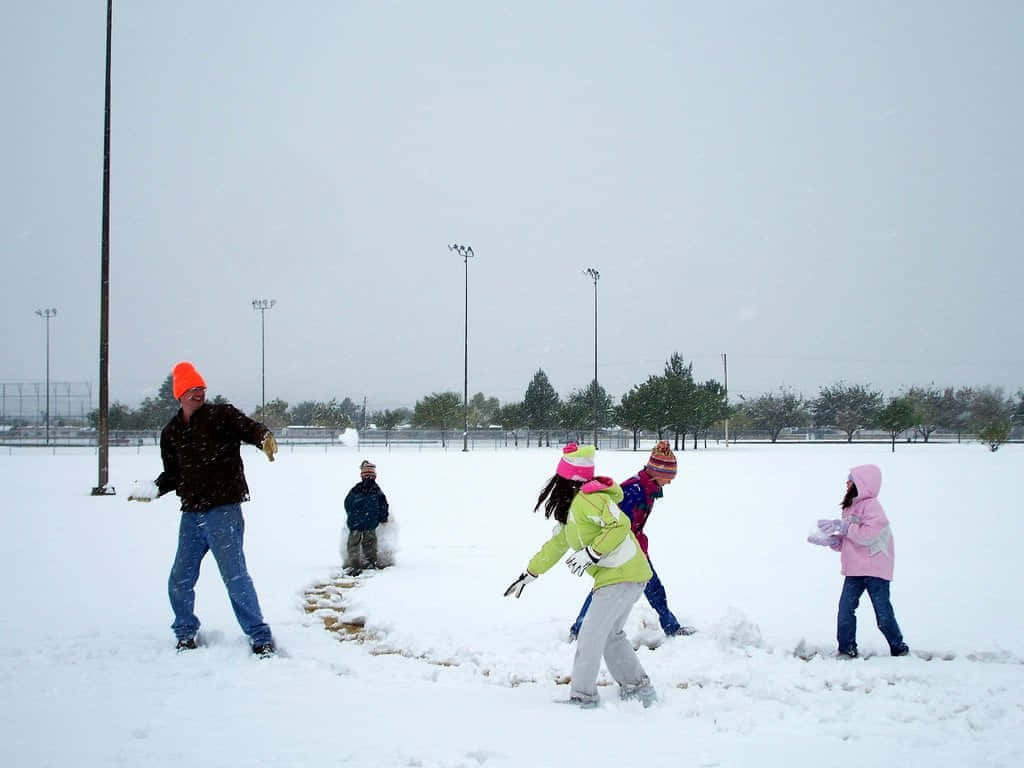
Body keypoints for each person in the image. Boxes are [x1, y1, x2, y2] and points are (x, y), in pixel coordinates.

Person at [127, 361, 279, 657]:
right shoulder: (171, 432)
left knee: (235, 576)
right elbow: (173, 474)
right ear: (179, 394)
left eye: (201, 389)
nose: (198, 395)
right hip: (191, 514)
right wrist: (155, 488)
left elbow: (249, 428)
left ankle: (260, 637)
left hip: (223, 510)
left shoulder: (221, 415)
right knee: (180, 578)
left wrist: (263, 438)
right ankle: (185, 633)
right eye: (191, 390)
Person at [503, 443, 656, 708]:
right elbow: (556, 546)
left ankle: (583, 697)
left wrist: (592, 553)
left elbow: (620, 524)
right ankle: (639, 688)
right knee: (610, 636)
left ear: (566, 479)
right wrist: (529, 573)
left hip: (621, 575)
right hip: (624, 575)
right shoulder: (575, 509)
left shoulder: (590, 499)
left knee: (591, 635)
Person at [569, 440, 692, 640]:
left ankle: (671, 625)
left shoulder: (647, 488)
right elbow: (617, 523)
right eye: (668, 477)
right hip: (620, 550)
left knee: (652, 586)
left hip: (634, 547)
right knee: (604, 588)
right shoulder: (634, 490)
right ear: (658, 473)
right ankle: (579, 628)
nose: (670, 482)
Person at [809, 464, 909, 659]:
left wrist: (845, 528)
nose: (847, 483)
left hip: (875, 569)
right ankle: (847, 649)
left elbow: (869, 536)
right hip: (854, 569)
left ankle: (898, 647)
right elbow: (852, 540)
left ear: (862, 484)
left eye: (851, 480)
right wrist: (833, 540)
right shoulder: (849, 507)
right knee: (845, 609)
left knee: (882, 612)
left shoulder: (872, 506)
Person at [342, 460, 390, 575]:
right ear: (375, 476)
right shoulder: (376, 490)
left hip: (355, 523)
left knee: (353, 544)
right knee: (370, 543)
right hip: (370, 522)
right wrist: (383, 518)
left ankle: (353, 564)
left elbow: (347, 502)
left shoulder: (356, 489)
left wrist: (351, 514)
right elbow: (383, 506)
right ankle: (370, 562)